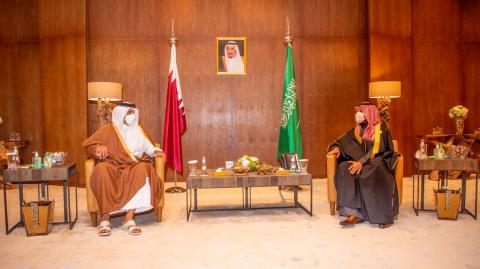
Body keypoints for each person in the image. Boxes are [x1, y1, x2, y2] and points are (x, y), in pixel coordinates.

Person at [83, 102, 165, 236]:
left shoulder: (139, 130)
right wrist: (97, 147)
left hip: (133, 165)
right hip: (113, 164)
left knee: (144, 169)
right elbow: (88, 144)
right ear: (120, 114)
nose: (131, 116)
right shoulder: (108, 130)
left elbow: (148, 147)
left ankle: (129, 218)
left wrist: (155, 151)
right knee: (101, 169)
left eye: (133, 113)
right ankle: (104, 218)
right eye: (128, 113)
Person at [327, 102, 399, 229]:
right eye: (358, 111)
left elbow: (380, 150)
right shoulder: (356, 130)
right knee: (345, 167)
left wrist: (362, 162)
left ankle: (382, 216)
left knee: (375, 169)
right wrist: (337, 148)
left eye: (362, 111)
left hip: (378, 163)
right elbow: (340, 141)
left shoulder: (381, 129)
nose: (358, 114)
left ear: (370, 113)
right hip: (359, 162)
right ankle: (354, 213)